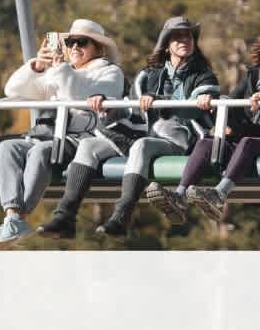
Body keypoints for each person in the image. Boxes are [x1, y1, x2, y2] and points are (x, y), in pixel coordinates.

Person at [147, 25, 260, 223]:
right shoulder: (253, 76)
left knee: (248, 142)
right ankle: (179, 196)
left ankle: (219, 195)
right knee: (207, 142)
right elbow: (231, 103)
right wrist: (213, 105)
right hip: (255, 137)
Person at [71, 17, 220, 237]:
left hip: (183, 142)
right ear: (166, 44)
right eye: (177, 37)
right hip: (148, 136)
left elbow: (193, 111)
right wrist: (106, 104)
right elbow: (132, 111)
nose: (184, 40)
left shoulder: (204, 75)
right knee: (91, 145)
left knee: (141, 145)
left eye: (188, 36)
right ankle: (66, 214)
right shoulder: (147, 76)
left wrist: (160, 100)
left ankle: (122, 215)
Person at [0, 19, 124, 249]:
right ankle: (11, 216)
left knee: (40, 151)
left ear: (98, 48)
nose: (74, 47)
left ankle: (19, 218)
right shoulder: (60, 71)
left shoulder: (110, 73)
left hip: (83, 139)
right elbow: (13, 90)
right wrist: (36, 67)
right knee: (6, 147)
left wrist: (61, 69)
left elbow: (75, 96)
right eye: (70, 42)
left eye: (82, 42)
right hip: (49, 134)